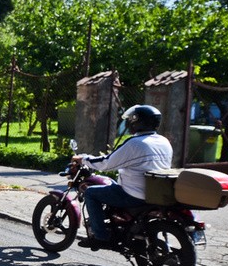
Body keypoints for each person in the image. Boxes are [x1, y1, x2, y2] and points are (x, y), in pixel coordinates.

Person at [72, 104, 173, 249]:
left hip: (133, 194)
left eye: (132, 120)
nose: (130, 123)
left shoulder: (135, 143)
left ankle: (100, 236)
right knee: (112, 185)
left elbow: (107, 163)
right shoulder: (164, 141)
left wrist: (83, 159)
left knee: (91, 193)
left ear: (138, 122)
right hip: (155, 193)